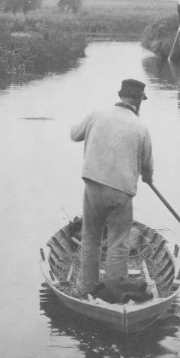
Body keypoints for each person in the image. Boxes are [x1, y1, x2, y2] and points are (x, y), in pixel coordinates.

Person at [69, 79, 154, 297]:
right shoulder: (140, 127)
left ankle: (87, 287)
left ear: (120, 96)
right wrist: (147, 177)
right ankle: (114, 290)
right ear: (138, 101)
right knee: (118, 241)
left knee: (91, 237)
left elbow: (74, 135)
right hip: (121, 192)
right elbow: (147, 166)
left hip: (93, 186)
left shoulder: (96, 115)